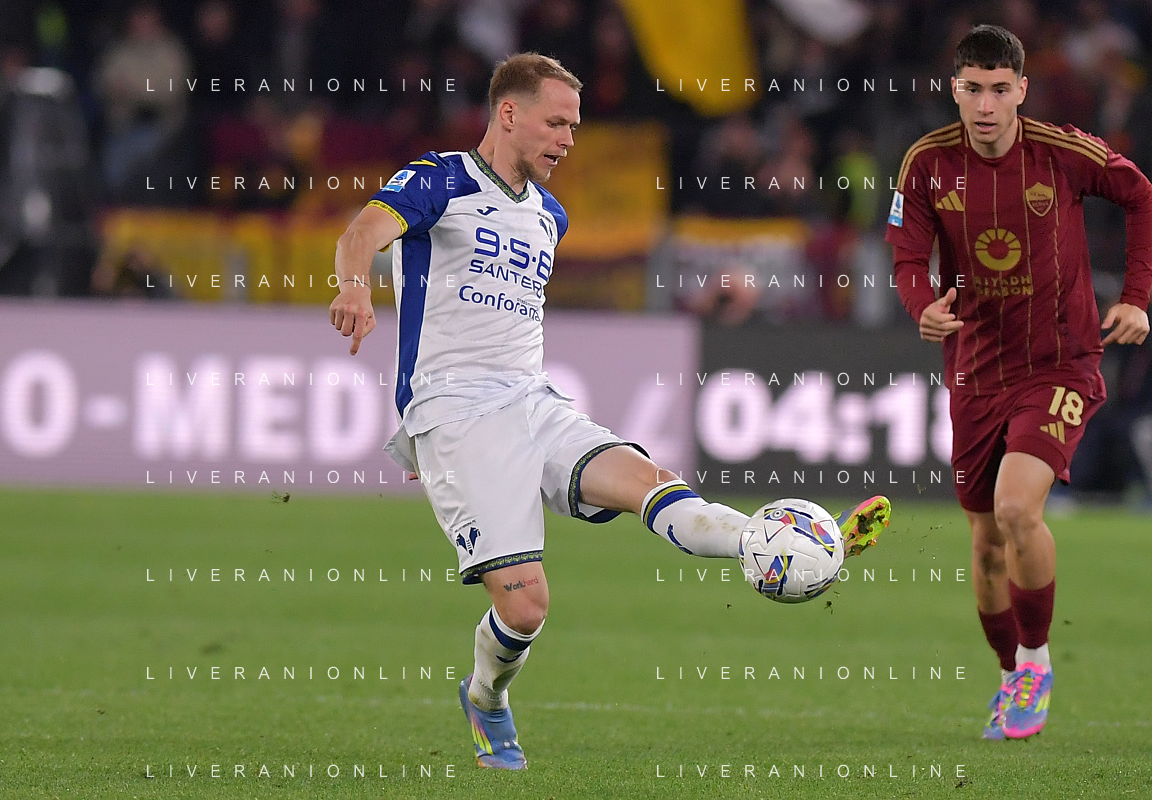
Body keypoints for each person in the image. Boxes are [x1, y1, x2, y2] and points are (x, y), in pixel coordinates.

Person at [330, 52, 892, 769]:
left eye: (575, 126)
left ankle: (781, 543)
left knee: (653, 484)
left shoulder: (549, 216)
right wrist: (354, 287)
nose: (568, 139)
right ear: (509, 112)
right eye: (556, 123)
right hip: (456, 412)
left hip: (533, 401)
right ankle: (485, 696)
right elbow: (359, 235)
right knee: (526, 607)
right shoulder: (439, 179)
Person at [887, 25, 1151, 740]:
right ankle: (1009, 675)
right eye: (972, 88)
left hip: (1060, 362)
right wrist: (922, 306)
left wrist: (1136, 297)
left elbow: (1140, 195)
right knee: (984, 545)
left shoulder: (1061, 153)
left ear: (1021, 90)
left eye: (999, 89)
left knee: (1014, 508)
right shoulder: (926, 163)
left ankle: (1035, 662)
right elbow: (907, 256)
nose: (985, 105)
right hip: (975, 370)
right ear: (955, 89)